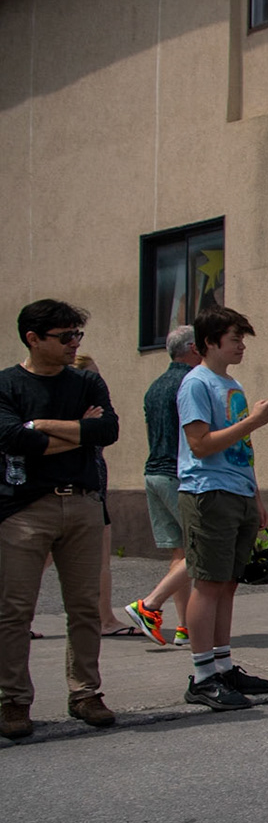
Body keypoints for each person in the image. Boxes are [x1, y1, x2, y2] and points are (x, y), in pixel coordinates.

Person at [0, 300, 121, 739]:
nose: (74, 344)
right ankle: (13, 699)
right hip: (25, 509)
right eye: (65, 336)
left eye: (77, 335)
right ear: (33, 339)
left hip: (83, 502)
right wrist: (77, 431)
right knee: (15, 610)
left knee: (85, 606)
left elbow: (107, 431)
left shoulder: (86, 381)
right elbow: (12, 439)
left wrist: (41, 425)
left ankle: (85, 692)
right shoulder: (7, 385)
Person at [176, 306, 268, 711]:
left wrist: (255, 497)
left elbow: (242, 448)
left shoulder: (231, 383)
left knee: (228, 582)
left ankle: (222, 666)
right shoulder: (196, 383)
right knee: (208, 582)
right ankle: (203, 676)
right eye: (235, 338)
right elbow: (200, 444)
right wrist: (254, 421)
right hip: (208, 492)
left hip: (236, 491)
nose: (241, 346)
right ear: (209, 342)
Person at [124, 325, 200, 647]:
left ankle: (185, 627)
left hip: (154, 472)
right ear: (194, 348)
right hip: (177, 474)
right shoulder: (192, 382)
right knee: (203, 547)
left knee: (180, 551)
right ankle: (150, 604)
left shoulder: (155, 386)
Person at [72, 354, 136, 635]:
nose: (99, 382)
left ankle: (104, 618)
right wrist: (82, 426)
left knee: (97, 558)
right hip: (85, 487)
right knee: (97, 559)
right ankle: (104, 620)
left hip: (95, 485)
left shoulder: (91, 408)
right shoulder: (78, 409)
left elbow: (107, 432)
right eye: (93, 376)